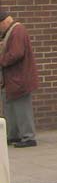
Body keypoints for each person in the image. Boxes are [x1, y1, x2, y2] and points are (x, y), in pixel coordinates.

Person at [0, 10, 39, 147]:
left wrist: (2, 60)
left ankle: (28, 137)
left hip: (20, 79)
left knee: (22, 109)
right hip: (13, 79)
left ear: (4, 22)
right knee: (11, 107)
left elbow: (16, 53)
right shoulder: (13, 31)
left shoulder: (17, 31)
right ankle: (14, 135)